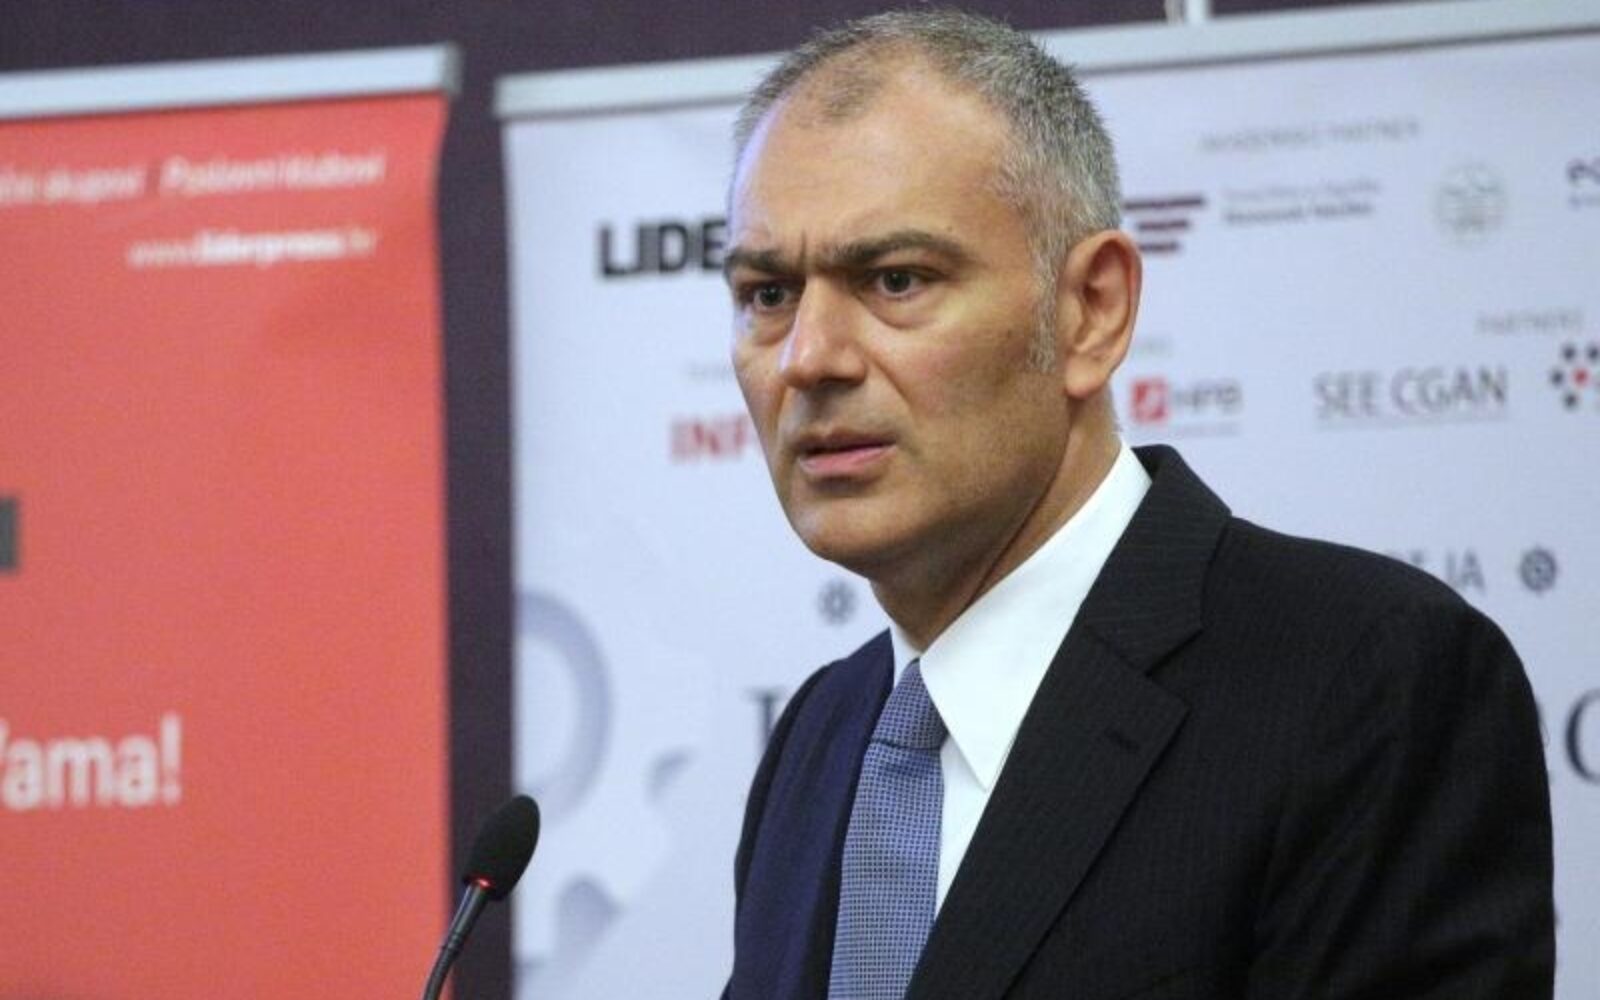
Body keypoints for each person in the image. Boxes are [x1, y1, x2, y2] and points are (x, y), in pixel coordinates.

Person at [720, 10, 1553, 1000]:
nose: (809, 357)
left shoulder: (1368, 680)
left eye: (895, 279)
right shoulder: (820, 735)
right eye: (768, 294)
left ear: (1092, 310)